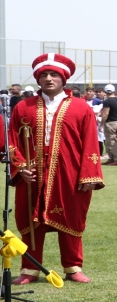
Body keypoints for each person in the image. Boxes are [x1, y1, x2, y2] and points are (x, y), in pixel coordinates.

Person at [9, 53, 104, 285]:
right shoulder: (23, 107)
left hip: (69, 173)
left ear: (63, 78)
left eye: (54, 74)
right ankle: (29, 269)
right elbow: (12, 141)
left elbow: (91, 142)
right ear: (38, 79)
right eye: (44, 75)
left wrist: (89, 174)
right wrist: (20, 167)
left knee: (71, 218)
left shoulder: (81, 108)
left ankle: (73, 267)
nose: (49, 79)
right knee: (31, 219)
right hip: (32, 174)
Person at [100, 84, 117, 165]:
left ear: (105, 91)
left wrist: (101, 124)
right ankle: (111, 158)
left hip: (110, 123)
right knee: (110, 142)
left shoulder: (107, 101)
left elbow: (105, 114)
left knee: (110, 142)